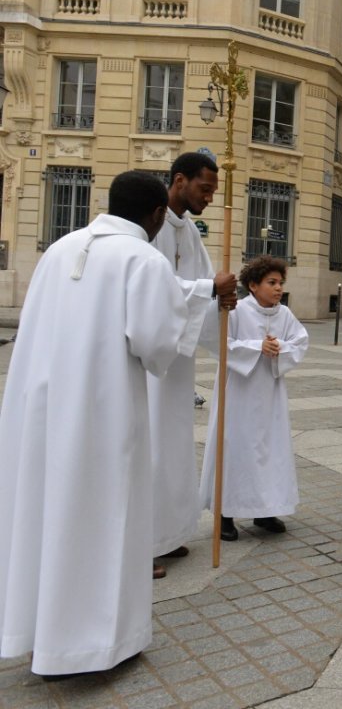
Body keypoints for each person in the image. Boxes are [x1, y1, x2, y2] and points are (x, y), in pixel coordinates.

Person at [0, 171, 189, 677]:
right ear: (155, 215)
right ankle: (94, 643)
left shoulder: (60, 249)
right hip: (102, 413)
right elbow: (156, 347)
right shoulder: (143, 258)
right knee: (103, 517)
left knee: (47, 512)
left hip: (42, 406)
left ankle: (39, 632)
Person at [147, 152, 237, 575]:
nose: (210, 198)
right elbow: (151, 286)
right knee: (148, 448)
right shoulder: (149, 225)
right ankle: (141, 544)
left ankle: (168, 532)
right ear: (179, 180)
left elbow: (199, 290)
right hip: (148, 363)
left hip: (176, 368)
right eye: (205, 189)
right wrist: (207, 287)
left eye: (215, 191)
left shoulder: (191, 233)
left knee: (173, 446)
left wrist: (221, 301)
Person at [200, 255, 309, 542]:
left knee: (269, 451)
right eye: (271, 283)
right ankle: (225, 513)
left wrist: (280, 347)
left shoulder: (283, 314)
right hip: (239, 392)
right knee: (235, 448)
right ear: (252, 285)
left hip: (270, 394)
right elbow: (219, 343)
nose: (277, 289)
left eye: (280, 283)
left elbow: (300, 340)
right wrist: (255, 347)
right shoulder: (234, 310)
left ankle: (265, 509)